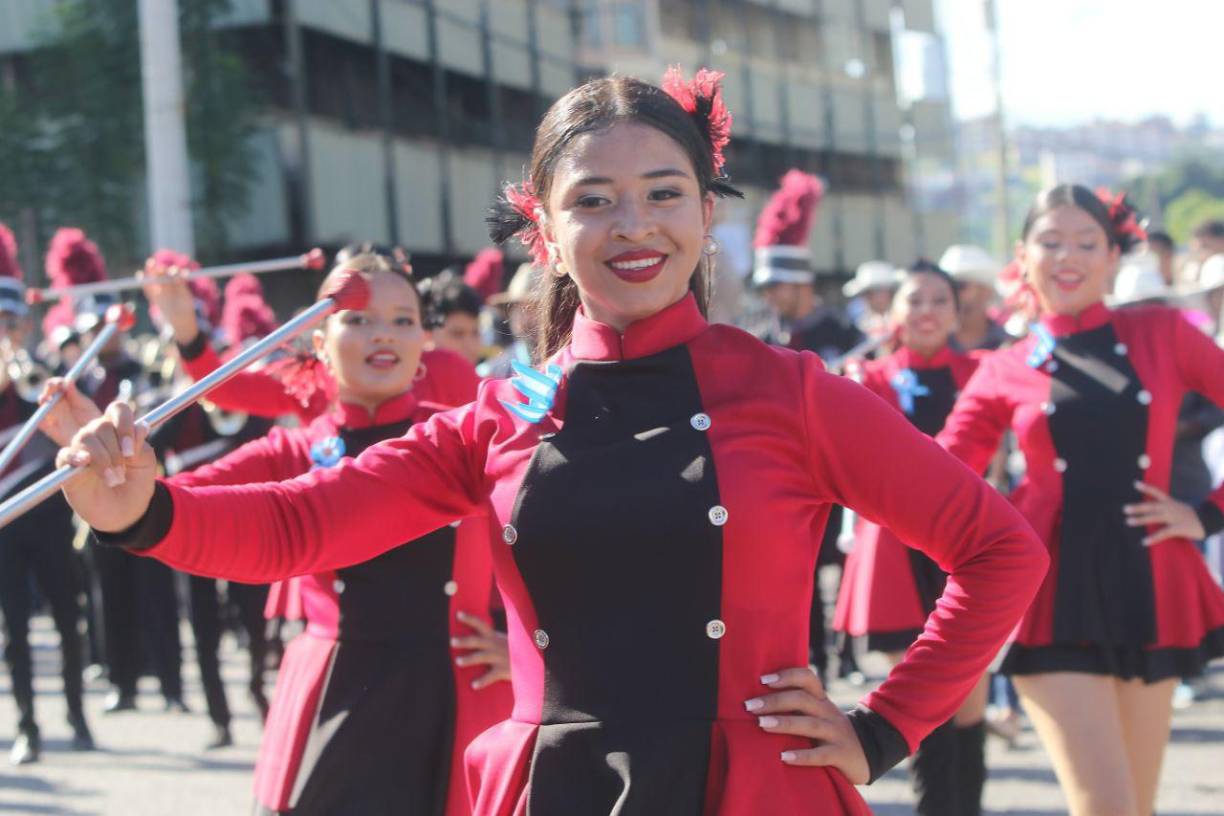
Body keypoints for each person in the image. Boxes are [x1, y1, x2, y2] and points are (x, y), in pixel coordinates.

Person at [59, 68, 1045, 815]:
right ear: (542, 229)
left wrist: (883, 728)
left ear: (707, 213)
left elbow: (1001, 549)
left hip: (755, 789)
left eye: (665, 193)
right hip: (550, 788)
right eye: (592, 199)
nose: (634, 224)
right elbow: (300, 525)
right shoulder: (500, 416)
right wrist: (141, 511)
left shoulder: (791, 393)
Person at [46, 253, 513, 814]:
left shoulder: (466, 438)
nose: (381, 334)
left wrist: (527, 645)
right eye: (358, 318)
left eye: (402, 319)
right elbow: (181, 502)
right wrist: (116, 479)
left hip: (460, 695)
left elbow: (553, 541)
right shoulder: (292, 450)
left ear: (423, 346)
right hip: (335, 694)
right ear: (318, 345)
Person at [938, 185, 1224, 816]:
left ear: (1114, 257)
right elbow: (935, 475)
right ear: (1023, 255)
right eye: (1051, 241)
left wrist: (1206, 514)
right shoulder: (1003, 366)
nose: (1068, 257)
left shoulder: (1164, 333)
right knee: (1107, 807)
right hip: (1046, 595)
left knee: (1135, 808)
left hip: (1150, 584)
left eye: (1086, 243)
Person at [834, 260, 989, 815]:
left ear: (956, 311)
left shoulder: (982, 371)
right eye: (914, 300)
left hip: (972, 554)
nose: (926, 311)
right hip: (900, 551)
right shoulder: (866, 376)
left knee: (970, 706)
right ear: (894, 311)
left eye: (938, 301)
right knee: (930, 704)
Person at [0, 223, 94, 764]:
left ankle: (78, 714)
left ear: (24, 325)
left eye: (9, 323)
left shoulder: (45, 379)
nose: (2, 332)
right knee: (13, 630)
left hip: (50, 516)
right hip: (6, 527)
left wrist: (31, 380)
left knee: (66, 617)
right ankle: (28, 726)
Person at [938, 245, 1013, 352]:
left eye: (959, 286)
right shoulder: (932, 346)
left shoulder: (1009, 345)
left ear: (985, 291)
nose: (952, 294)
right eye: (948, 288)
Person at [419, 269, 487, 366]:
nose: (470, 346)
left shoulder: (486, 378)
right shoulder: (404, 380)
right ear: (427, 335)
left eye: (475, 333)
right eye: (457, 334)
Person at [842, 260, 900, 345]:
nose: (866, 298)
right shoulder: (857, 325)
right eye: (865, 293)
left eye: (872, 292)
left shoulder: (902, 320)